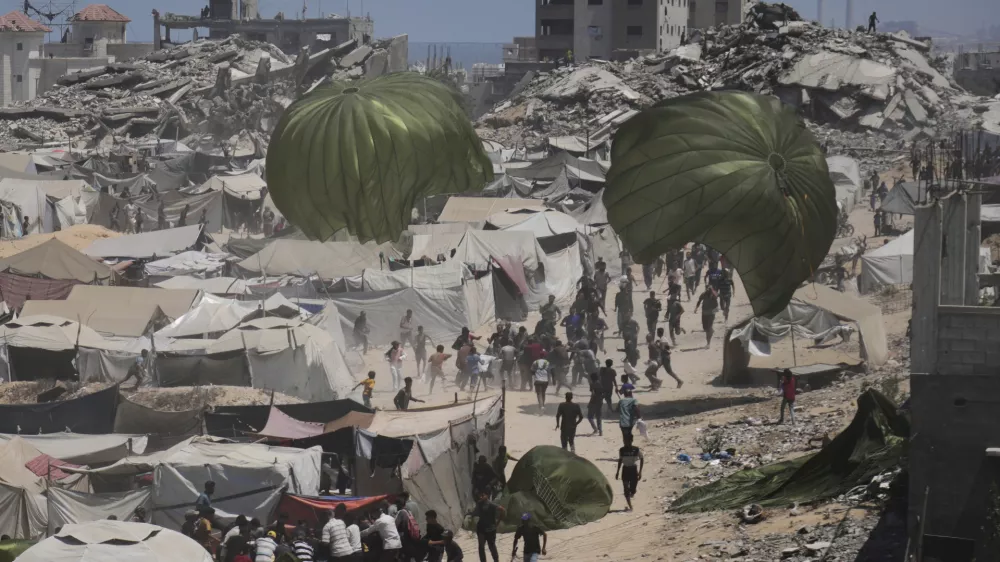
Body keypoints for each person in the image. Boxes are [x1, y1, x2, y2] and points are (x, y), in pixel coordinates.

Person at [469, 491, 504, 562]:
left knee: (491, 546)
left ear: (487, 495)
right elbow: (476, 512)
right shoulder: (479, 503)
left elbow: (503, 510)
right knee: (481, 547)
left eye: (483, 495)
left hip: (490, 529)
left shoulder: (491, 505)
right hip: (481, 528)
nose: (481, 497)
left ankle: (496, 560)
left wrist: (498, 522)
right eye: (480, 495)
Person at [616, 434, 644, 512]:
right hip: (625, 470)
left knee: (633, 489)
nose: (625, 443)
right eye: (624, 441)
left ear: (631, 441)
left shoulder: (636, 450)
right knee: (626, 489)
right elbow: (620, 460)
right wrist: (617, 471)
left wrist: (640, 472)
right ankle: (630, 506)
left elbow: (642, 459)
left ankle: (632, 492)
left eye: (627, 441)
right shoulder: (622, 450)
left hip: (633, 470)